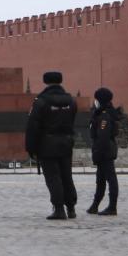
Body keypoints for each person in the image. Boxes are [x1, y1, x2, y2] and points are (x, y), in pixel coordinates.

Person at [25, 70, 78, 220]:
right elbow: (73, 121)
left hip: (47, 144)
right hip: (66, 143)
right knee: (66, 175)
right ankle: (71, 208)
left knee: (53, 177)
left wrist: (30, 147)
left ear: (45, 81)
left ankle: (59, 209)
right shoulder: (71, 101)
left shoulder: (41, 101)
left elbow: (33, 126)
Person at [86, 87, 119, 216]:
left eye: (96, 99)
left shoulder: (104, 115)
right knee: (100, 180)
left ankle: (112, 207)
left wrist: (98, 153)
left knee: (111, 179)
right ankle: (95, 205)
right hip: (103, 150)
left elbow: (103, 137)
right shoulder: (102, 113)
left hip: (104, 151)